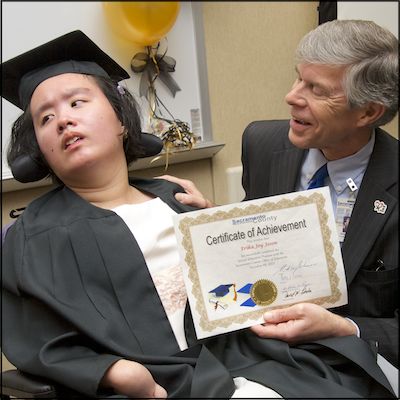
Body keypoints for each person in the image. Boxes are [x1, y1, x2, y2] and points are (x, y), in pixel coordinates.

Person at [1, 30, 396, 399]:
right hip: (167, 379)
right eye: (45, 119)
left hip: (256, 354)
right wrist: (113, 371)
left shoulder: (172, 199)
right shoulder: (34, 235)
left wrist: (216, 231)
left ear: (121, 119)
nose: (64, 120)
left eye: (76, 103)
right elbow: (36, 335)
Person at [161, 19, 399, 372]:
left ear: (368, 112)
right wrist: (215, 225)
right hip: (257, 349)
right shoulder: (263, 144)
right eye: (298, 77)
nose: (291, 96)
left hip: (350, 364)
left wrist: (345, 327)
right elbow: (264, 236)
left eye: (316, 90)